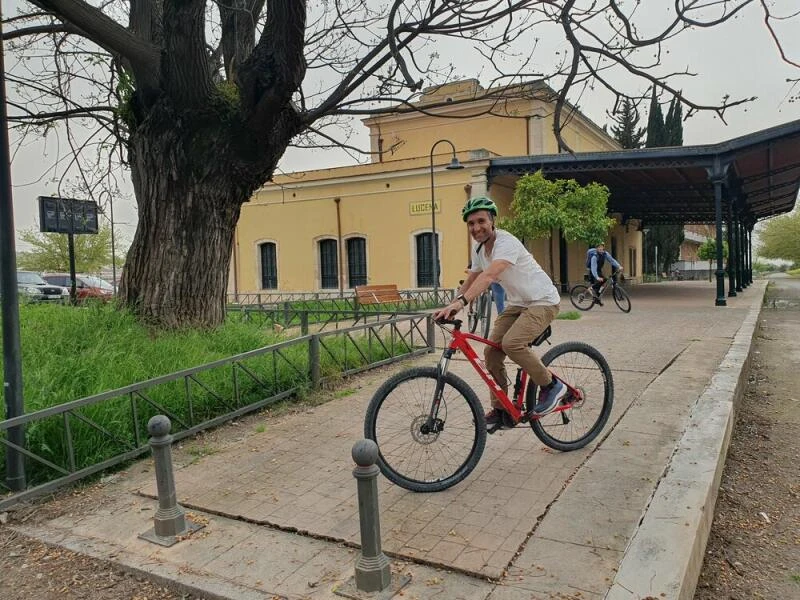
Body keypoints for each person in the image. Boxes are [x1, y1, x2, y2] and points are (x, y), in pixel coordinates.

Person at [433, 196, 565, 429]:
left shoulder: (506, 242)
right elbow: (473, 277)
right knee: (492, 352)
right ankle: (503, 411)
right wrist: (451, 305)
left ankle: (551, 385)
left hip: (543, 300)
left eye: (481, 221)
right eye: (471, 223)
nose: (476, 228)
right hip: (518, 303)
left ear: (492, 221)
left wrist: (462, 302)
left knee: (512, 343)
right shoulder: (480, 249)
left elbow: (491, 275)